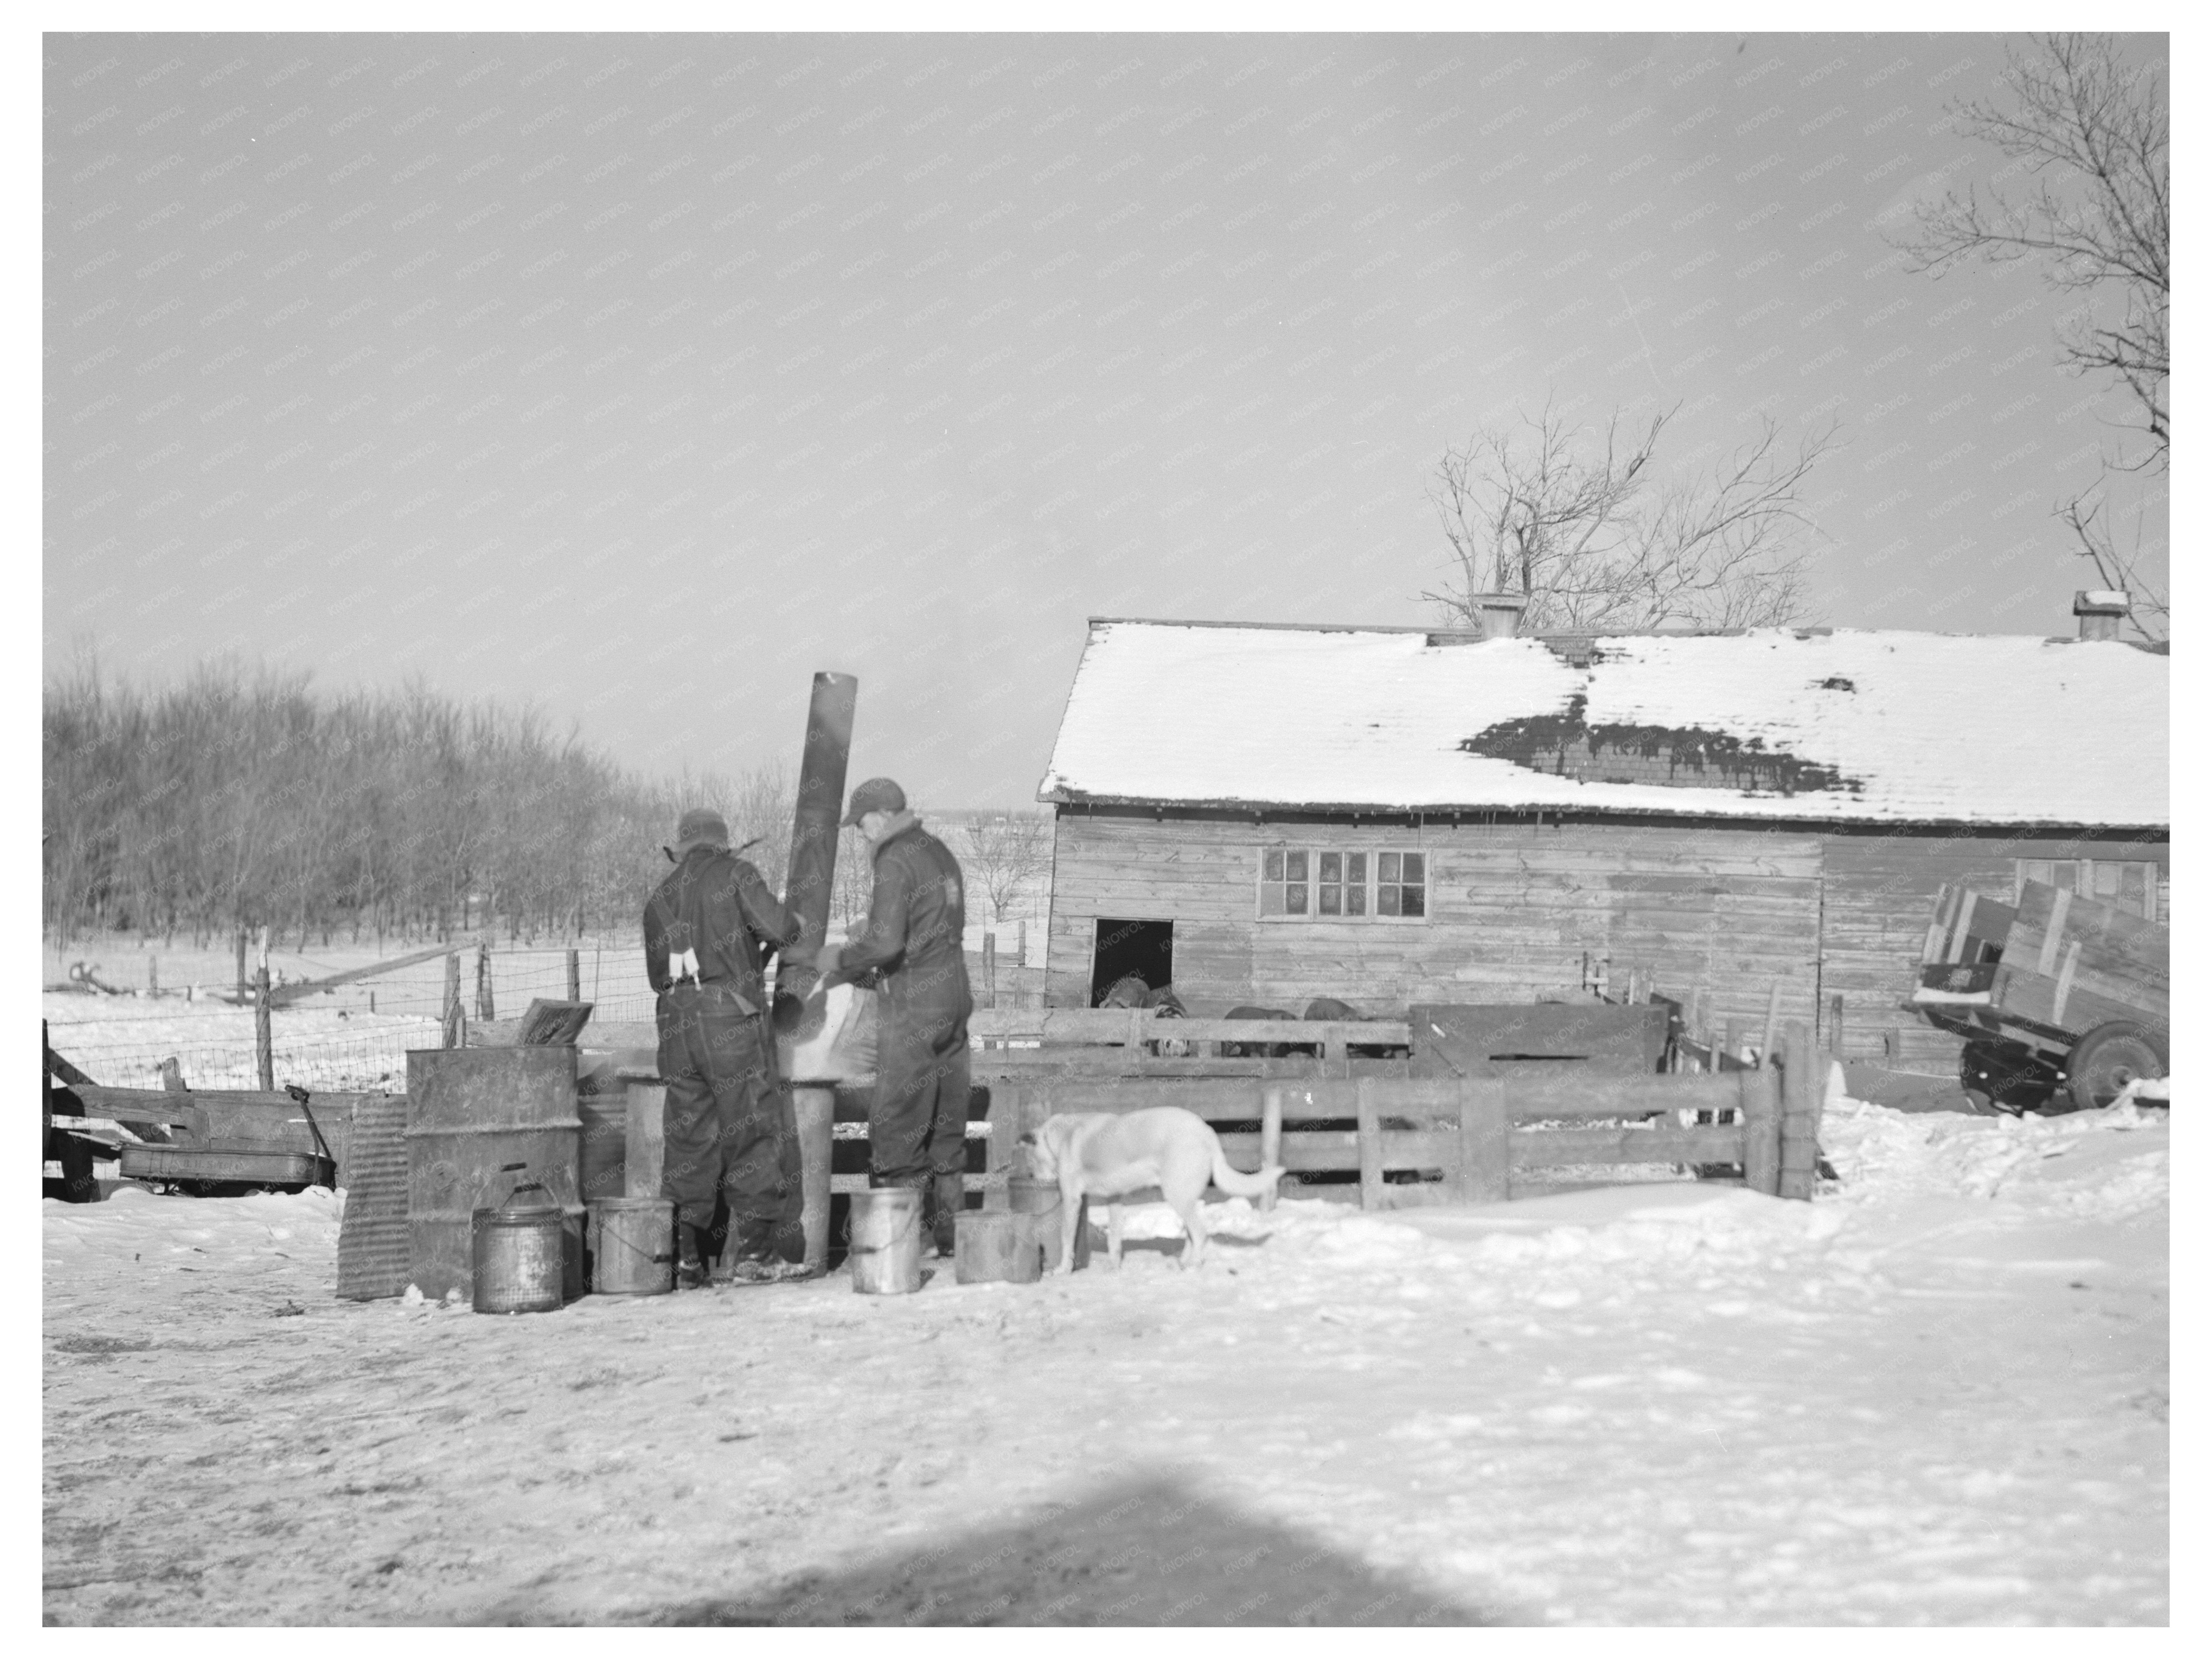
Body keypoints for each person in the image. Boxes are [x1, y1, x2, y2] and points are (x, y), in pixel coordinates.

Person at [644, 808, 806, 1285]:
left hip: (674, 1023)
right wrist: (793, 920)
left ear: (683, 848)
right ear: (722, 845)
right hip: (728, 1022)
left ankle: (686, 1260)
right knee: (751, 1130)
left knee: (689, 1136)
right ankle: (756, 1258)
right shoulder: (738, 874)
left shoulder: (659, 898)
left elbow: (658, 977)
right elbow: (780, 929)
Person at [814, 778, 974, 1256]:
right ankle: (952, 1235)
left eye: (861, 824)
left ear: (881, 815)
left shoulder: (895, 857)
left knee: (896, 1119)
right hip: (955, 995)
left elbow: (887, 943)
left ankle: (901, 1242)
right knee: (947, 1118)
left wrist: (837, 960)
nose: (861, 834)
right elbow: (931, 925)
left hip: (915, 1000)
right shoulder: (938, 851)